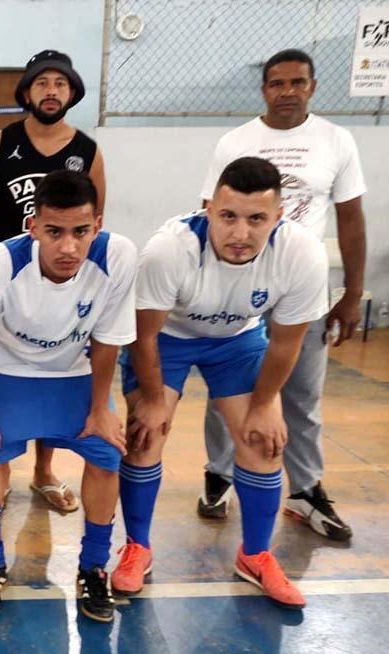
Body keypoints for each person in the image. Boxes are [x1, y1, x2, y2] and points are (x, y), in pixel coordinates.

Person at [115, 157, 326, 609]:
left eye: (257, 219)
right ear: (208, 208)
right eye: (228, 216)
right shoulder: (169, 249)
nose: (240, 233)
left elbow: (287, 343)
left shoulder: (302, 254)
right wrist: (153, 399)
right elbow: (144, 334)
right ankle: (137, 546)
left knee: (261, 439)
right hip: (168, 339)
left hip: (238, 339)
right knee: (145, 433)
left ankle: (255, 555)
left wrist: (266, 403)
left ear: (278, 217)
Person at [195, 49, 364, 542]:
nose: (286, 91)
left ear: (312, 86)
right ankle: (218, 474)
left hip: (302, 288)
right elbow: (210, 213)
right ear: (264, 89)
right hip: (238, 287)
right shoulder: (235, 141)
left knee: (302, 393)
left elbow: (351, 219)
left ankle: (305, 489)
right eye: (276, 83)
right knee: (228, 388)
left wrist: (351, 292)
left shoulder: (336, 141)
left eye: (297, 82)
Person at [0, 170, 135, 623]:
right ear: (33, 226)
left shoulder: (118, 256)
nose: (69, 247)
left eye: (81, 232)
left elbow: (109, 338)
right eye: (54, 232)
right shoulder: (0, 264)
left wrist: (101, 408)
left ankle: (93, 566)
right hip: (9, 370)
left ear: (97, 224)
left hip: (76, 372)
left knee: (106, 456)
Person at [0, 48, 108, 514]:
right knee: (5, 371)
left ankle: (44, 471)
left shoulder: (87, 150)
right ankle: (1, 465)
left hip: (62, 285)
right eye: (42, 83)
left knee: (55, 367)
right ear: (26, 91)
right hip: (7, 287)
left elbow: (95, 225)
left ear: (72, 92)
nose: (51, 91)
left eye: (60, 84)